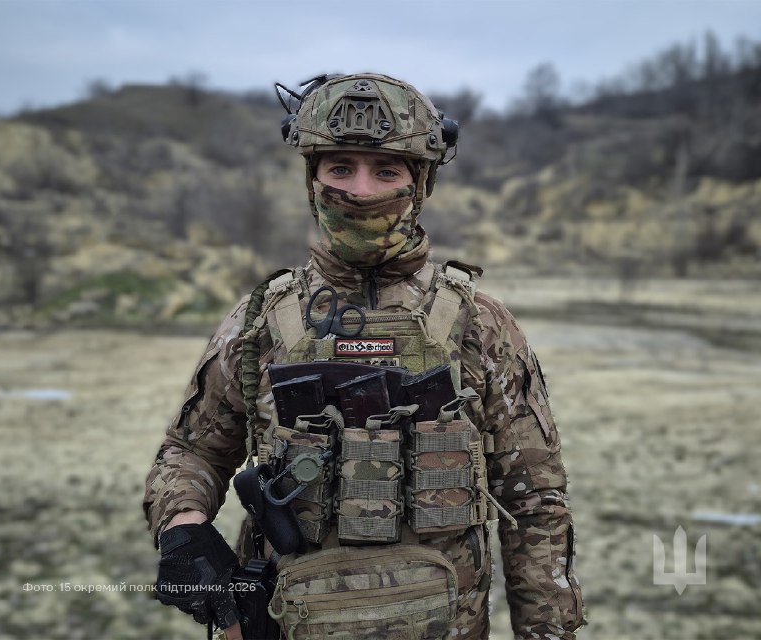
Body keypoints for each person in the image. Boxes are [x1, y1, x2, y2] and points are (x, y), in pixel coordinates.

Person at [144, 72, 584, 640]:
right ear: (312, 178)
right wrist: (182, 524)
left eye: (386, 170)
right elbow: (192, 450)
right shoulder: (260, 321)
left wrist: (548, 632)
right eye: (340, 168)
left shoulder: (479, 322)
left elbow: (534, 501)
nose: (362, 191)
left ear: (419, 181)